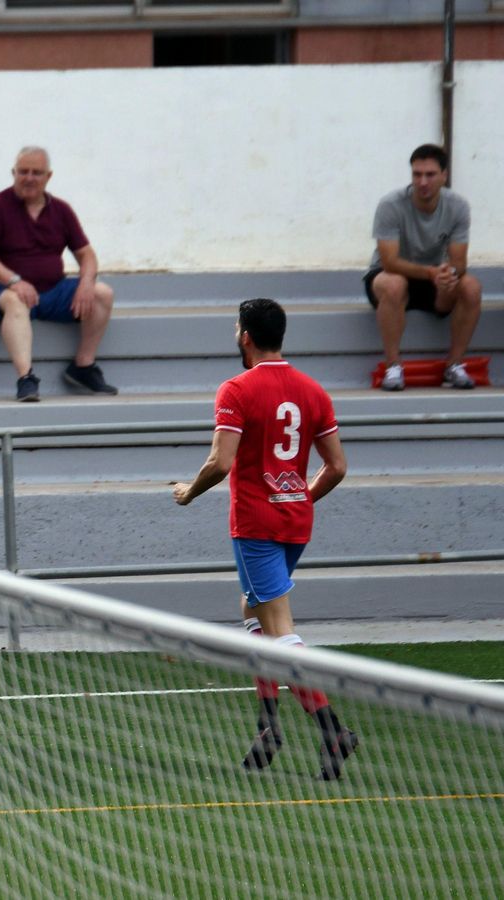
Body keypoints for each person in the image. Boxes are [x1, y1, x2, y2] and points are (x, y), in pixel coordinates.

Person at [172, 298, 357, 780]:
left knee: (279, 630)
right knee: (252, 611)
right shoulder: (312, 390)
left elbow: (221, 462)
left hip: (255, 524)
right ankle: (268, 726)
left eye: (237, 329)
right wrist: (300, 498)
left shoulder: (236, 389)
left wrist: (188, 493)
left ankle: (333, 729)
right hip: (295, 522)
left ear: (246, 337)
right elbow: (337, 467)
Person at [0, 146, 116, 402]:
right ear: (13, 173)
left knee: (102, 293)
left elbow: (86, 254)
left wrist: (86, 281)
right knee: (15, 300)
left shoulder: (61, 210)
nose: (29, 178)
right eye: (23, 171)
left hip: (52, 291)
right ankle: (26, 378)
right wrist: (14, 281)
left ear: (48, 176)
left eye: (36, 173)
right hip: (3, 291)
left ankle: (83, 366)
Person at [364, 143, 482, 391]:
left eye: (430, 175)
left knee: (471, 287)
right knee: (394, 283)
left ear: (444, 176)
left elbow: (459, 262)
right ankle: (393, 366)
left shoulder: (458, 206)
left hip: (434, 278)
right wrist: (431, 272)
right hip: (390, 276)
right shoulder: (391, 205)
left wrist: (448, 275)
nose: (423, 182)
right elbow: (389, 261)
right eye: (417, 174)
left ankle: (454, 365)